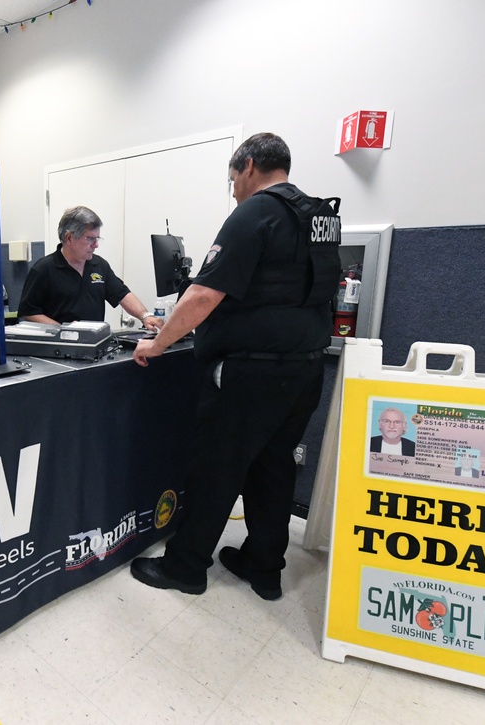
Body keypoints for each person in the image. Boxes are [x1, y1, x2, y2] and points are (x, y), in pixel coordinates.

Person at [128, 132, 341, 601]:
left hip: (251, 373)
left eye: (232, 179)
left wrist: (158, 344)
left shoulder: (257, 212)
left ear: (247, 166)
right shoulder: (320, 216)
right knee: (273, 468)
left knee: (217, 467)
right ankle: (263, 567)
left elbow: (204, 294)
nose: (233, 189)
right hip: (306, 369)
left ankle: (185, 567)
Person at [17, 206, 163, 331]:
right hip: (58, 349)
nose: (96, 245)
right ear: (69, 238)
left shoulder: (100, 265)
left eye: (97, 238)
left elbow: (122, 294)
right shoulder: (43, 269)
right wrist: (63, 330)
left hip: (93, 345)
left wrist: (145, 316)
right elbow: (28, 312)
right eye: (90, 238)